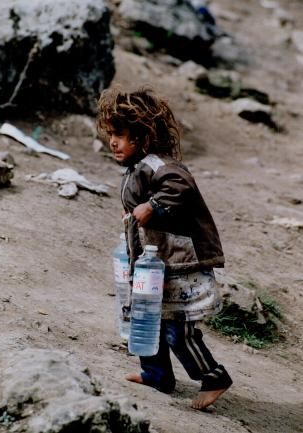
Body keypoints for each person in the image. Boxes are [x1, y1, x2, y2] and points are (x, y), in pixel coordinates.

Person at [96, 86, 232, 410]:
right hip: (156, 262)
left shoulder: (158, 164)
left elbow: (180, 186)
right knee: (147, 317)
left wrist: (152, 206)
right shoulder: (136, 169)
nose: (112, 141)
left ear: (142, 138)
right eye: (110, 134)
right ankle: (157, 374)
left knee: (176, 327)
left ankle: (214, 377)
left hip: (183, 261)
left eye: (120, 135)